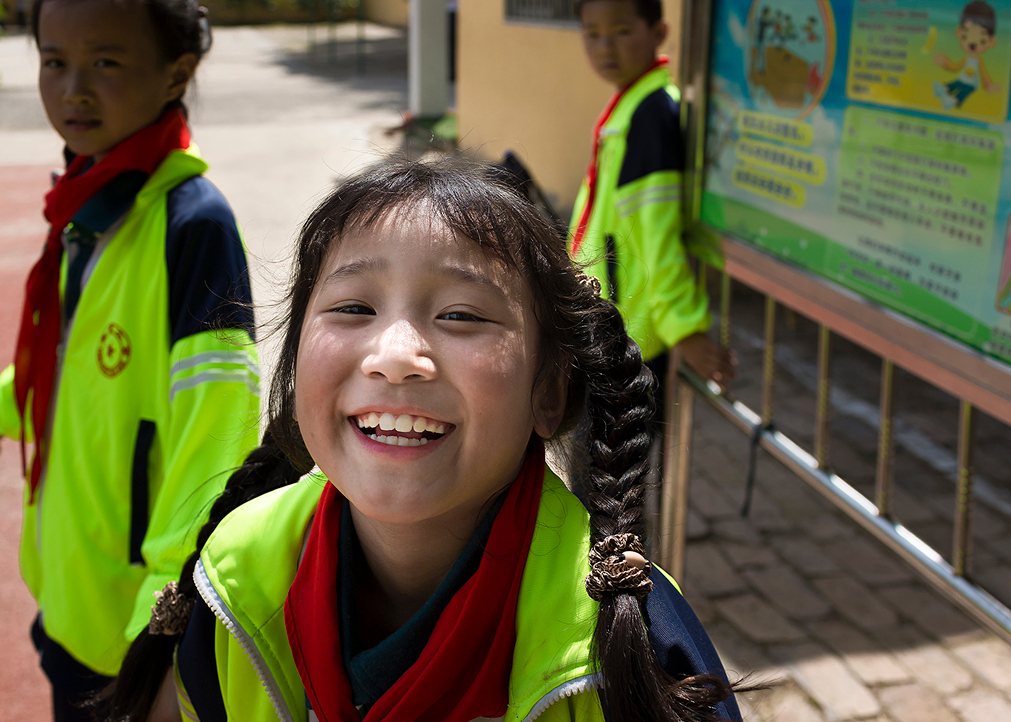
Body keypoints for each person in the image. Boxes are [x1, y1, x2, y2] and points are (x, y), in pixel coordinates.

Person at [105, 158, 745, 722]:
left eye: (461, 316)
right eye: (354, 308)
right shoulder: (230, 586)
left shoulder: (632, 646)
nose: (395, 357)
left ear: (549, 390)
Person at [0, 0, 260, 717]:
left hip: (133, 626)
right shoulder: (88, 204)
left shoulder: (192, 226)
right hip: (68, 600)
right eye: (55, 61)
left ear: (176, 73)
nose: (73, 89)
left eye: (105, 62)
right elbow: (70, 371)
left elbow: (217, 441)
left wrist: (163, 625)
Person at [570, 0, 734, 395]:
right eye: (592, 34)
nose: (605, 47)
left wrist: (683, 329)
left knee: (618, 453)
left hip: (630, 335)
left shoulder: (653, 115)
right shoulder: (631, 104)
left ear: (659, 33)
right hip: (608, 320)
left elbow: (658, 234)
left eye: (622, 31)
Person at [933, 1, 998, 110]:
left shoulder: (979, 60)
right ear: (960, 33)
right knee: (954, 84)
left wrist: (988, 85)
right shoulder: (966, 58)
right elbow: (955, 67)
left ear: (991, 41)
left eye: (981, 40)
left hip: (971, 85)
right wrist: (946, 64)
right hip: (962, 80)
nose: (972, 43)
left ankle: (953, 101)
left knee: (963, 92)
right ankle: (943, 89)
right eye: (967, 35)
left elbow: (984, 75)